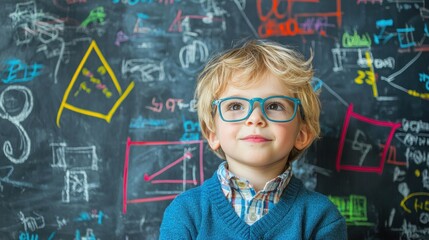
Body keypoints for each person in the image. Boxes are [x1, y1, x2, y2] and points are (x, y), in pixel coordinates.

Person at [159, 39, 347, 239]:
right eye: (235, 106)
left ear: (301, 134)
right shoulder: (185, 213)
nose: (255, 118)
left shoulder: (321, 218)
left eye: (274, 106)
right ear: (213, 134)